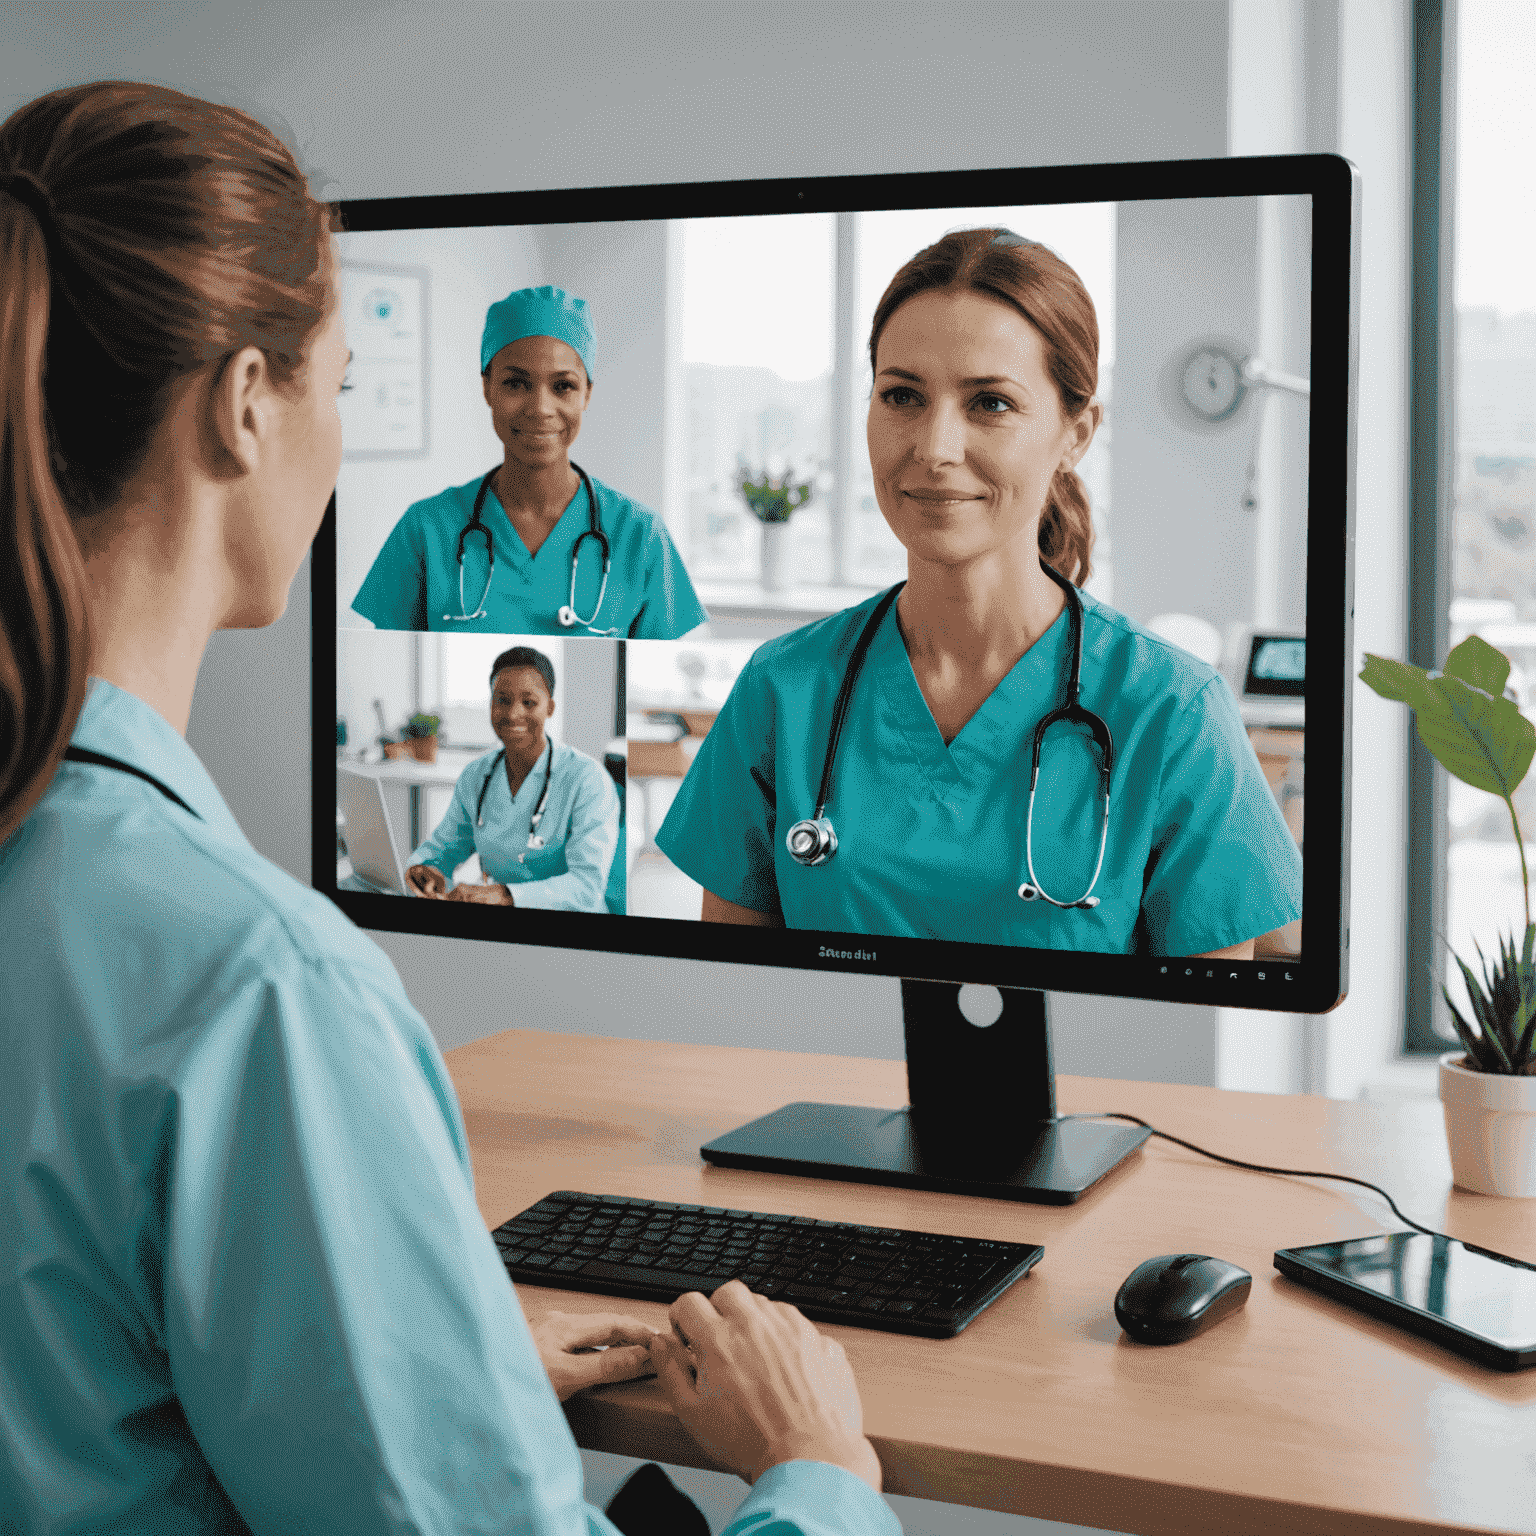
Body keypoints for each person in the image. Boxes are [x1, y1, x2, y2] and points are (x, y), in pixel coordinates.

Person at [0, 81, 894, 1536]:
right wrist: (821, 1478)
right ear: (243, 407)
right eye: (341, 386)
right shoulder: (260, 993)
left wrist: (437, 1389)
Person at [656, 228, 1302, 957]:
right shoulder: (785, 689)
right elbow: (734, 1002)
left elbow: (1194, 1042)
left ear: (1075, 434)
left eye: (990, 403)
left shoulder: (1170, 711)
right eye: (902, 395)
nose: (934, 448)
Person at [350, 284, 709, 638]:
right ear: (487, 387)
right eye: (516, 384)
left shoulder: (640, 536)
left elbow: (660, 674)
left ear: (587, 394)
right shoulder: (425, 530)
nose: (540, 409)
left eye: (563, 386)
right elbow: (385, 656)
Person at [405, 645, 620, 912]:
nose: (512, 714)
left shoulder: (587, 779)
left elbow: (586, 888)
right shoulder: (476, 775)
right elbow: (444, 848)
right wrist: (425, 869)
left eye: (528, 702)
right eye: (502, 700)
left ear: (550, 707)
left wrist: (504, 895)